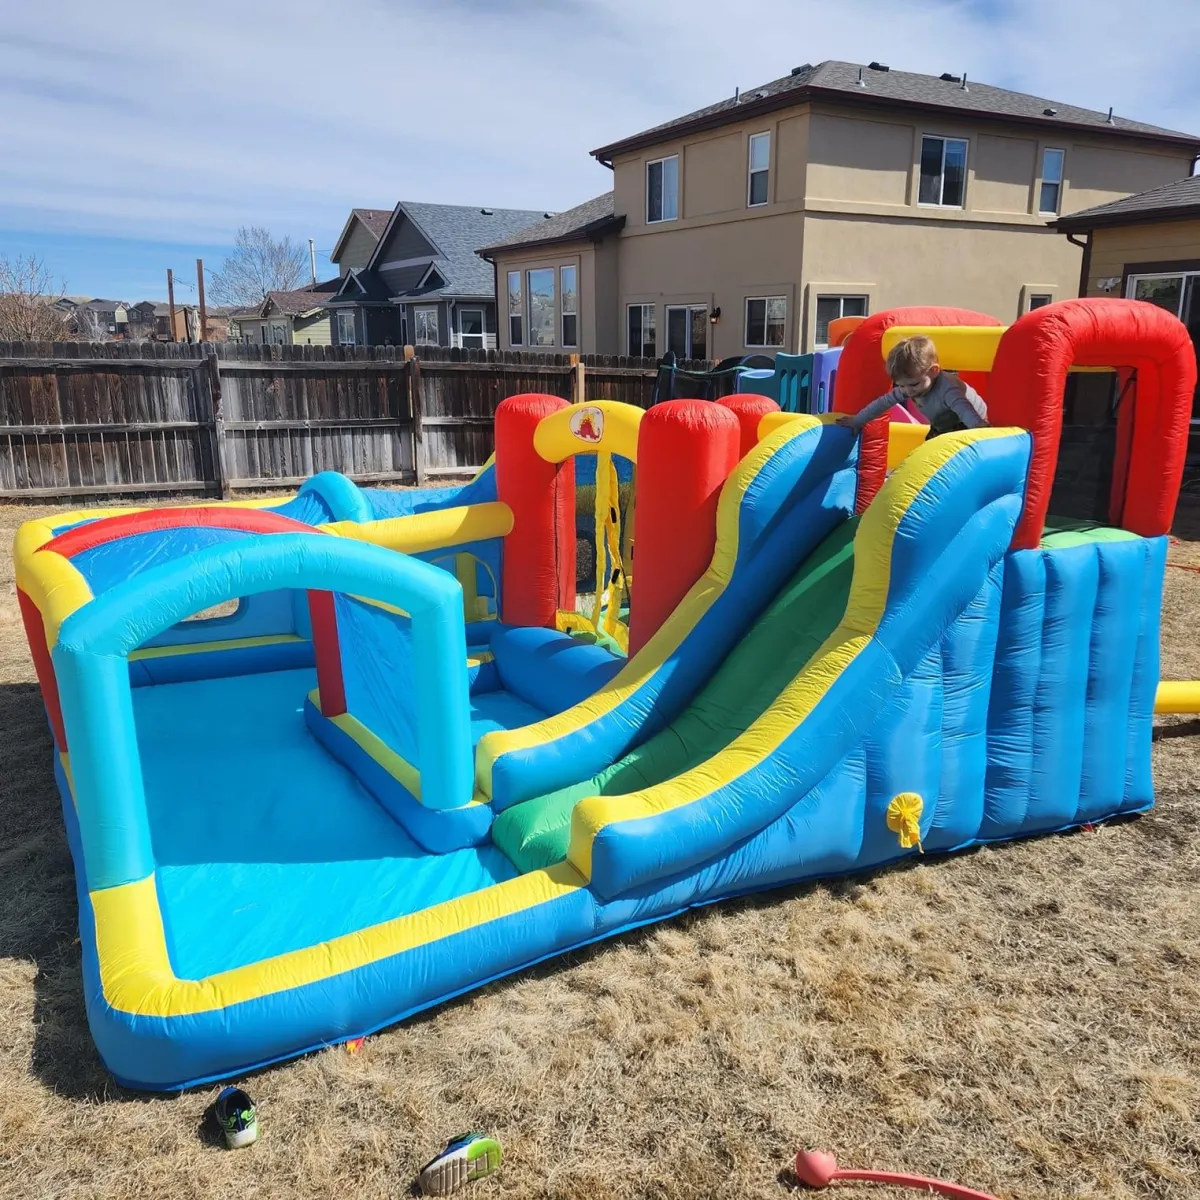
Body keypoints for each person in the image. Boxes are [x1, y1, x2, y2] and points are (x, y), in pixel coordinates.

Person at [836, 334, 988, 439]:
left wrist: (979, 430)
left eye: (913, 384)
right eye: (901, 385)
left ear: (934, 371)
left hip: (969, 423)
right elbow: (882, 403)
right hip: (943, 424)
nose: (908, 391)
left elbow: (964, 409)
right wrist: (858, 420)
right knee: (927, 453)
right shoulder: (909, 387)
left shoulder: (948, 389)